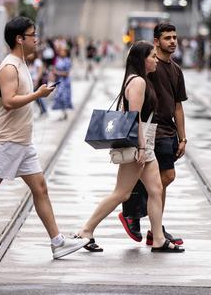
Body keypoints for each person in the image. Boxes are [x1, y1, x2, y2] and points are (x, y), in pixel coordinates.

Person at [0, 16, 88, 260]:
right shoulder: (10, 67)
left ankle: (57, 241)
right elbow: (9, 102)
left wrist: (37, 93)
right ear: (20, 39)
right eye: (33, 35)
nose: (37, 40)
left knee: (40, 188)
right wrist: (38, 94)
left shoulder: (21, 64)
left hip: (22, 141)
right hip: (8, 140)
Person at [76, 41, 184, 253]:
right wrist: (142, 149)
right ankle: (85, 231)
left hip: (145, 144)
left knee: (155, 189)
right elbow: (134, 120)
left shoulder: (140, 80)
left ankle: (159, 238)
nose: (155, 60)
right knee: (122, 193)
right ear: (142, 59)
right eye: (152, 56)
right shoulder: (138, 83)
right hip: (139, 145)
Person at [119, 23, 186, 247]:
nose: (173, 41)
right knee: (157, 179)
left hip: (168, 130)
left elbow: (178, 106)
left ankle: (151, 226)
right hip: (150, 129)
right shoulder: (149, 66)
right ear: (156, 41)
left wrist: (183, 137)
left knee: (163, 180)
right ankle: (139, 218)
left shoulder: (176, 70)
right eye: (168, 38)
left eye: (175, 37)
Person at [51, 45, 73, 120]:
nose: (61, 52)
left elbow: (66, 73)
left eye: (63, 51)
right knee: (59, 97)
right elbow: (54, 68)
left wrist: (57, 72)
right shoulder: (58, 59)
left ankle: (65, 112)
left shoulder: (67, 60)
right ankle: (63, 112)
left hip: (65, 81)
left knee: (64, 97)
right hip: (59, 81)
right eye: (60, 51)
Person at [27, 50, 48, 116]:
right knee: (36, 97)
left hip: (37, 82)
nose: (29, 56)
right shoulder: (29, 63)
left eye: (31, 54)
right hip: (31, 82)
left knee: (38, 96)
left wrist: (36, 81)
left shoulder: (37, 62)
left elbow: (40, 72)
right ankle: (42, 110)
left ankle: (44, 110)